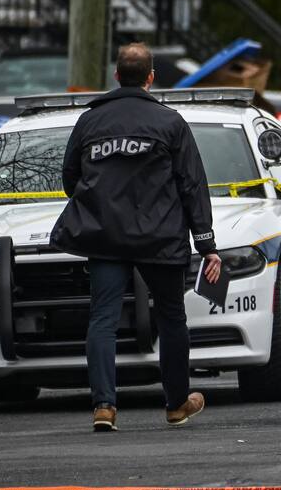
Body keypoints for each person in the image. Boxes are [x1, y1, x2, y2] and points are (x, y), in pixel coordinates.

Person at [51, 42, 222, 432]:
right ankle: (177, 403)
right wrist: (207, 245)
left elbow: (70, 177)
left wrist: (98, 205)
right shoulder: (171, 122)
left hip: (104, 237)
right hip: (159, 238)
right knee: (171, 317)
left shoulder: (90, 122)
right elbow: (192, 184)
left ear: (116, 75)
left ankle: (104, 407)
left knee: (103, 319)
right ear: (150, 77)